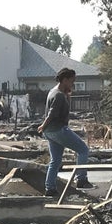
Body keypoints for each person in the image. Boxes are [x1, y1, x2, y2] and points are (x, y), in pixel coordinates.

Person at [38, 67, 92, 196]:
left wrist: (68, 95)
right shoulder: (58, 95)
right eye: (72, 81)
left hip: (50, 132)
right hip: (58, 130)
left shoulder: (53, 92)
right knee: (83, 150)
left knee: (55, 160)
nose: (73, 84)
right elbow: (52, 113)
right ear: (65, 80)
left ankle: (50, 189)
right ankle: (81, 180)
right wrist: (43, 125)